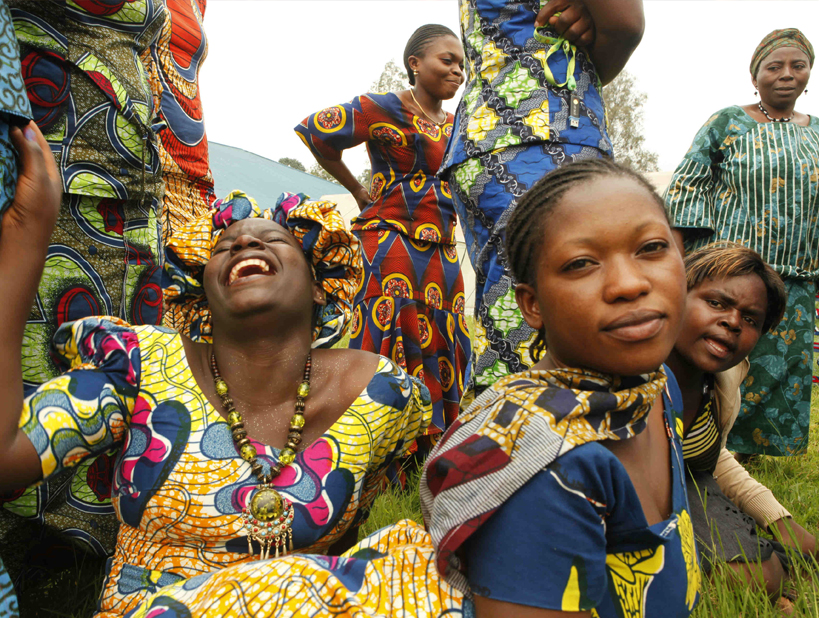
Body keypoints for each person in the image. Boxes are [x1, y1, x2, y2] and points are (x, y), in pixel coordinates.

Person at [131, 159, 701, 618]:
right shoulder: (549, 467)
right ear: (529, 305)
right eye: (581, 264)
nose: (629, 283)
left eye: (651, 248)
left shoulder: (654, 389)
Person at [0, 145, 432, 618]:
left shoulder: (381, 395)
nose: (245, 243)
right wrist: (27, 234)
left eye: (274, 240)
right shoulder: (138, 365)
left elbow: (344, 542)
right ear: (201, 292)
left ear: (317, 282)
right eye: (224, 248)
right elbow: (7, 456)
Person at [1, 0, 168, 564]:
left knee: (124, 363)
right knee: (36, 351)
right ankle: (30, 539)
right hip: (54, 165)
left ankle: (98, 535)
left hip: (133, 187)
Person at [441, 0, 644, 401]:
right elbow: (625, 23)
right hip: (546, 131)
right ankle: (535, 442)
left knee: (508, 312)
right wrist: (591, 52)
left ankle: (498, 438)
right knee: (563, 301)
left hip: (485, 134)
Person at [295, 24, 470, 447]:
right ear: (415, 63)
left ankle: (429, 447)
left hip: (444, 253)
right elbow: (316, 131)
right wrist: (357, 190)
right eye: (447, 61)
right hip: (391, 243)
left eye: (462, 65)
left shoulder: (459, 125)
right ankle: (378, 444)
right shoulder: (383, 107)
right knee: (386, 332)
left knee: (442, 336)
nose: (458, 72)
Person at [665, 28, 818, 458]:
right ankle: (704, 441)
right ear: (756, 76)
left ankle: (748, 455)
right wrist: (675, 262)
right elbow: (686, 190)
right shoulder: (727, 123)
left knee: (779, 368)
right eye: (774, 66)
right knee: (721, 358)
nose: (786, 74)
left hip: (797, 276)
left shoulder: (818, 134)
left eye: (798, 65)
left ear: (809, 74)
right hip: (731, 274)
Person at [666, 242, 816, 606]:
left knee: (767, 573)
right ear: (675, 296)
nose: (733, 322)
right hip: (618, 491)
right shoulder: (628, 368)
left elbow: (712, 457)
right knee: (729, 581)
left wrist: (779, 520)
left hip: (687, 482)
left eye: (750, 319)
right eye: (717, 303)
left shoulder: (722, 380)